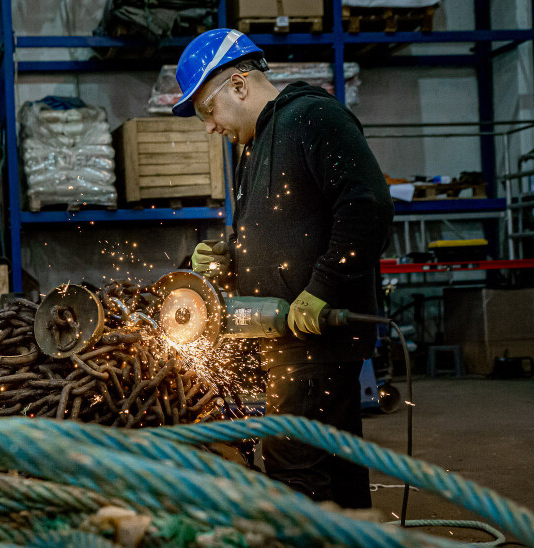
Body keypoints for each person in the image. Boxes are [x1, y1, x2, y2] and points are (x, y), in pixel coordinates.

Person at [172, 29, 394, 509]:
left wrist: (325, 287)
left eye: (207, 110)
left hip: (314, 339)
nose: (210, 127)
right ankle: (353, 536)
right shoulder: (257, 144)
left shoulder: (315, 117)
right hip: (288, 339)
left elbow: (366, 204)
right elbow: (283, 231)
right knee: (336, 456)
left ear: (239, 84)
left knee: (292, 461)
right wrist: (228, 256)